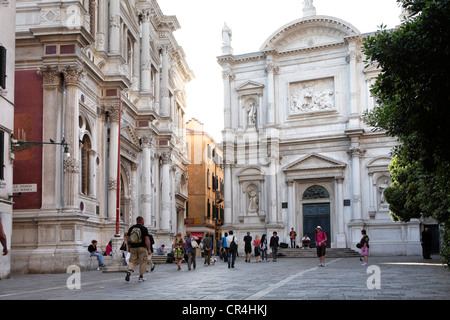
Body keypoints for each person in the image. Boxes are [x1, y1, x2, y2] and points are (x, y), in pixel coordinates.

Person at [125, 216, 151, 282]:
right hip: (141, 247)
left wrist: (128, 247)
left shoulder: (131, 228)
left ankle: (130, 270)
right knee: (142, 261)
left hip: (133, 247)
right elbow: (147, 239)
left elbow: (127, 239)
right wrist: (149, 249)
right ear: (142, 221)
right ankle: (141, 277)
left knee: (132, 261)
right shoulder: (144, 228)